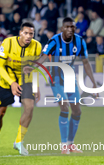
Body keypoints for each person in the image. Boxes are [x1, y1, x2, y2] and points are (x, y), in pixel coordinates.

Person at [37, 17, 98, 154]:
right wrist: (33, 68)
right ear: (62, 28)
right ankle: (64, 144)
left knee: (77, 111)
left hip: (70, 78)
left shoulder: (80, 42)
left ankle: (71, 144)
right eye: (67, 27)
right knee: (64, 107)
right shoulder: (54, 41)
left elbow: (86, 63)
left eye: (73, 27)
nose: (70, 30)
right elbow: (44, 56)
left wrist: (94, 84)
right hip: (56, 78)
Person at [0, 22, 42, 156]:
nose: (29, 36)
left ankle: (19, 141)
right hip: (7, 80)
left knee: (29, 108)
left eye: (31, 33)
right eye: (26, 33)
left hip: (26, 80)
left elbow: (35, 68)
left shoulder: (37, 46)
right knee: (0, 113)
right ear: (20, 33)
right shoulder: (7, 43)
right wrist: (12, 82)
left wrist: (37, 86)